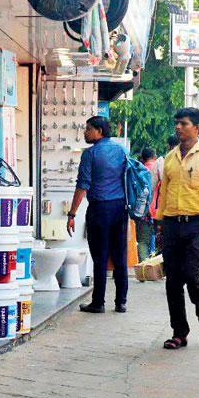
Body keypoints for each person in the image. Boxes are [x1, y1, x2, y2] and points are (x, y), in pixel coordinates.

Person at [157, 108, 199, 349]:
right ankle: (179, 333)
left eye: (183, 123)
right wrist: (160, 225)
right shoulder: (170, 158)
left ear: (197, 128)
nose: (178, 127)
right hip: (172, 224)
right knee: (172, 281)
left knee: (192, 275)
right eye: (177, 123)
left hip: (197, 224)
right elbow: (163, 193)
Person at [68, 116, 129, 313]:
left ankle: (98, 302)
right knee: (120, 255)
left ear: (99, 131)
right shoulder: (122, 150)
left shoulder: (90, 154)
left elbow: (82, 185)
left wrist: (72, 213)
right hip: (120, 208)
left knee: (100, 257)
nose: (85, 133)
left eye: (88, 129)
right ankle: (121, 302)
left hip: (99, 210)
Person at [135, 147, 158, 261]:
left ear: (143, 159)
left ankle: (144, 270)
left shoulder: (141, 171)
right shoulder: (160, 168)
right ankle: (158, 270)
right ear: (154, 157)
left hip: (144, 212)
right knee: (160, 241)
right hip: (160, 212)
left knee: (143, 241)